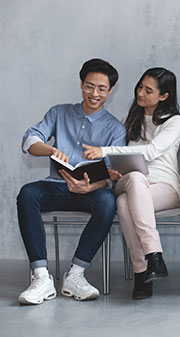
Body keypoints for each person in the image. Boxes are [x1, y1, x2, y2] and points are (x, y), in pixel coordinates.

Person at [16, 58, 126, 304]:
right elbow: (30, 140)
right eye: (89, 86)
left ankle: (75, 274)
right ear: (81, 84)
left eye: (101, 89)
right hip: (56, 186)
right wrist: (50, 151)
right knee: (27, 193)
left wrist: (91, 185)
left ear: (110, 91)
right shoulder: (59, 112)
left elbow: (112, 171)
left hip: (90, 192)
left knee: (108, 202)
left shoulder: (115, 129)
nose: (94, 94)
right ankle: (41, 277)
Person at [83, 67, 180, 299]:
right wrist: (113, 168)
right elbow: (120, 160)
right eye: (140, 86)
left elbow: (150, 151)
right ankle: (154, 254)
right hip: (127, 180)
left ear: (164, 96)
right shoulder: (128, 120)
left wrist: (104, 151)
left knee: (125, 205)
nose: (140, 93)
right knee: (136, 178)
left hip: (164, 186)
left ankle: (141, 273)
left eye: (148, 90)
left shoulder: (175, 121)